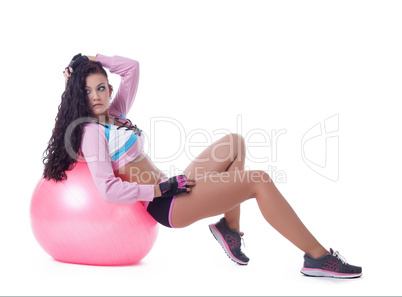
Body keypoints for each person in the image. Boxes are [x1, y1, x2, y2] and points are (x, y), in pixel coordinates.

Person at [43, 53, 362, 278]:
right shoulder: (90, 132)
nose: (96, 96)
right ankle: (317, 257)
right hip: (165, 203)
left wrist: (95, 59)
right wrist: (157, 189)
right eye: (86, 90)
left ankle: (229, 229)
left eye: (101, 87)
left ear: (109, 90)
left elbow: (132, 68)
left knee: (234, 142)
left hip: (173, 186)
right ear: (76, 95)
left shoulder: (115, 114)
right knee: (259, 181)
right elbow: (108, 190)